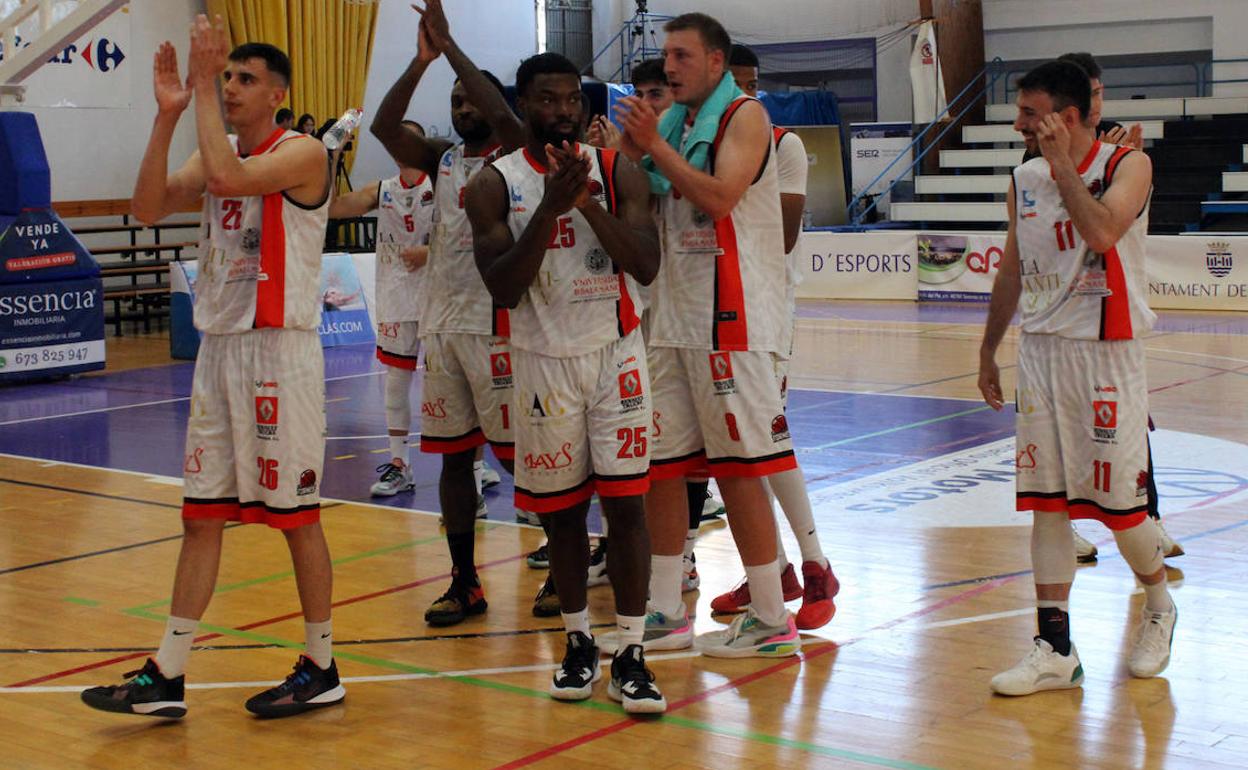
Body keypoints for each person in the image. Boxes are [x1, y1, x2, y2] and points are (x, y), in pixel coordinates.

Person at [81, 17, 342, 718]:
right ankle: (167, 672)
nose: (229, 87)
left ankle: (323, 662)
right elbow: (145, 208)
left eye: (243, 78)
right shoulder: (215, 146)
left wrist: (195, 85)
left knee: (296, 518)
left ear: (277, 94)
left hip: (278, 354)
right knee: (200, 518)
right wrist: (167, 117)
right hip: (220, 350)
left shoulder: (305, 153)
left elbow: (230, 178)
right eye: (225, 76)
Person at [468, 52, 666, 713]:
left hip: (616, 354)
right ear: (523, 107)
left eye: (570, 101)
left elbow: (643, 264)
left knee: (628, 508)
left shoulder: (617, 169)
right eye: (547, 101)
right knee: (560, 516)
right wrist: (550, 210)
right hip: (541, 361)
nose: (562, 111)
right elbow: (502, 286)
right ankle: (578, 641)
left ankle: (632, 651)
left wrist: (584, 205)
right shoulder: (494, 184)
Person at [978, 59, 1176, 696]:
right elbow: (1013, 264)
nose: (1018, 125)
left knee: (1121, 509)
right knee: (1046, 505)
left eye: (1030, 114)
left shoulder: (1128, 166)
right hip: (1041, 352)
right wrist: (988, 349)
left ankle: (1159, 605)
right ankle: (1054, 647)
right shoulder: (1022, 177)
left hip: (1105, 350)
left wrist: (1065, 166)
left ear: (1065, 118)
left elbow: (1101, 230)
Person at [615, 12, 800, 658]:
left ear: (716, 62)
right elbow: (642, 187)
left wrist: (653, 148)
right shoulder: (676, 120)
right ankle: (666, 607)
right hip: (671, 315)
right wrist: (622, 152)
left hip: (732, 318)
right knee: (662, 466)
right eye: (666, 55)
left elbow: (721, 197)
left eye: (682, 55)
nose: (669, 66)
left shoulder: (744, 115)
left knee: (740, 470)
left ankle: (773, 618)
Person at [370, 0, 534, 625]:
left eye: (474, 100)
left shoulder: (522, 155)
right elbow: (387, 127)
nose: (463, 108)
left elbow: (504, 117)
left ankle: (553, 550)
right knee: (452, 457)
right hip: (444, 326)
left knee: (524, 456)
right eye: (456, 100)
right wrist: (421, 61)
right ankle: (464, 579)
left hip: (502, 327)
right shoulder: (441, 157)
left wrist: (457, 49)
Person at [710, 43, 838, 630]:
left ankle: (815, 564)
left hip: (759, 313)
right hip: (706, 312)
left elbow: (781, 235)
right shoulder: (701, 141)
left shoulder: (782, 143)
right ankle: (777, 567)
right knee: (734, 450)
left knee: (762, 438)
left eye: (752, 84)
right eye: (736, 85)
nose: (747, 96)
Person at [583, 57, 722, 596]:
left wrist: (631, 155)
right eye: (639, 93)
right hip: (637, 313)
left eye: (657, 94)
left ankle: (685, 555)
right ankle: (617, 545)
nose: (648, 103)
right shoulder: (637, 161)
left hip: (693, 318)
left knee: (688, 450)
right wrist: (613, 159)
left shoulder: (691, 154)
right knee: (633, 445)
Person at [327, 121, 434, 501]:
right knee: (395, 383)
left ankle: (470, 460)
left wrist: (430, 251)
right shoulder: (382, 190)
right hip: (396, 294)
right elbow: (330, 208)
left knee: (450, 383)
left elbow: (470, 234)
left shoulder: (442, 186)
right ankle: (399, 464)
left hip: (439, 295)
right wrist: (333, 152)